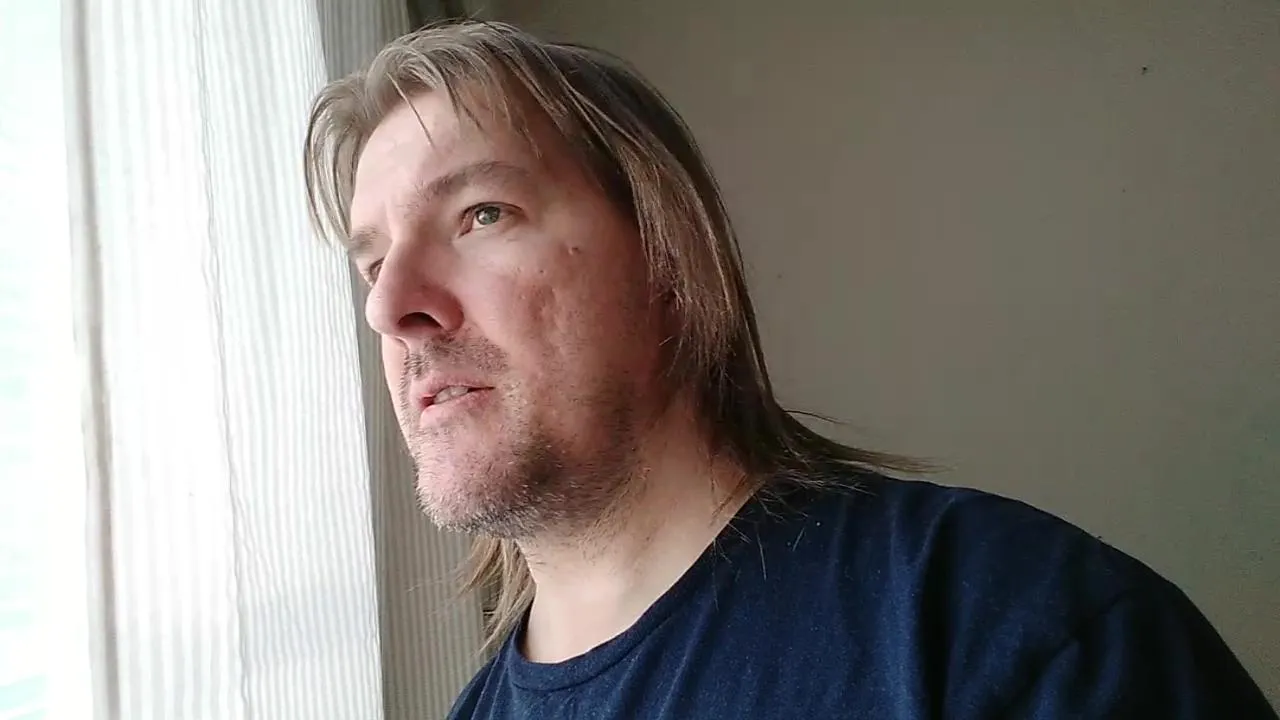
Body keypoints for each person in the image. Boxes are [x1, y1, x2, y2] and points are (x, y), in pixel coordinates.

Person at [303, 20, 1276, 719]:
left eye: (481, 215)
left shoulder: (1009, 633)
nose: (390, 308)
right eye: (372, 262)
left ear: (669, 260)